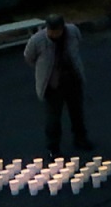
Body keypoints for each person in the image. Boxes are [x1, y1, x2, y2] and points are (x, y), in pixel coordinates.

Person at [22, 14, 91, 153]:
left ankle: (80, 139)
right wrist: (43, 69)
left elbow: (78, 44)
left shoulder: (72, 32)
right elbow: (29, 57)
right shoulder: (37, 40)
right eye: (50, 31)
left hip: (72, 79)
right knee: (53, 118)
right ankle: (53, 147)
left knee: (77, 113)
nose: (53, 34)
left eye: (56, 31)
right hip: (52, 84)